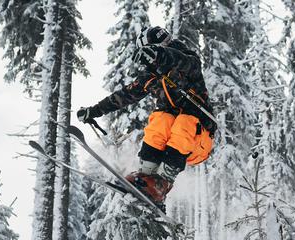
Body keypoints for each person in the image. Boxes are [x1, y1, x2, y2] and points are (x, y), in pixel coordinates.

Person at [76, 26, 216, 207]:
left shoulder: (188, 62)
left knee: (183, 121)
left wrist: (160, 53)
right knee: (160, 120)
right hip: (174, 142)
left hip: (200, 141)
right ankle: (146, 179)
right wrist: (93, 111)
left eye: (166, 46)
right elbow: (123, 96)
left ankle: (161, 184)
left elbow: (186, 62)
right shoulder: (151, 77)